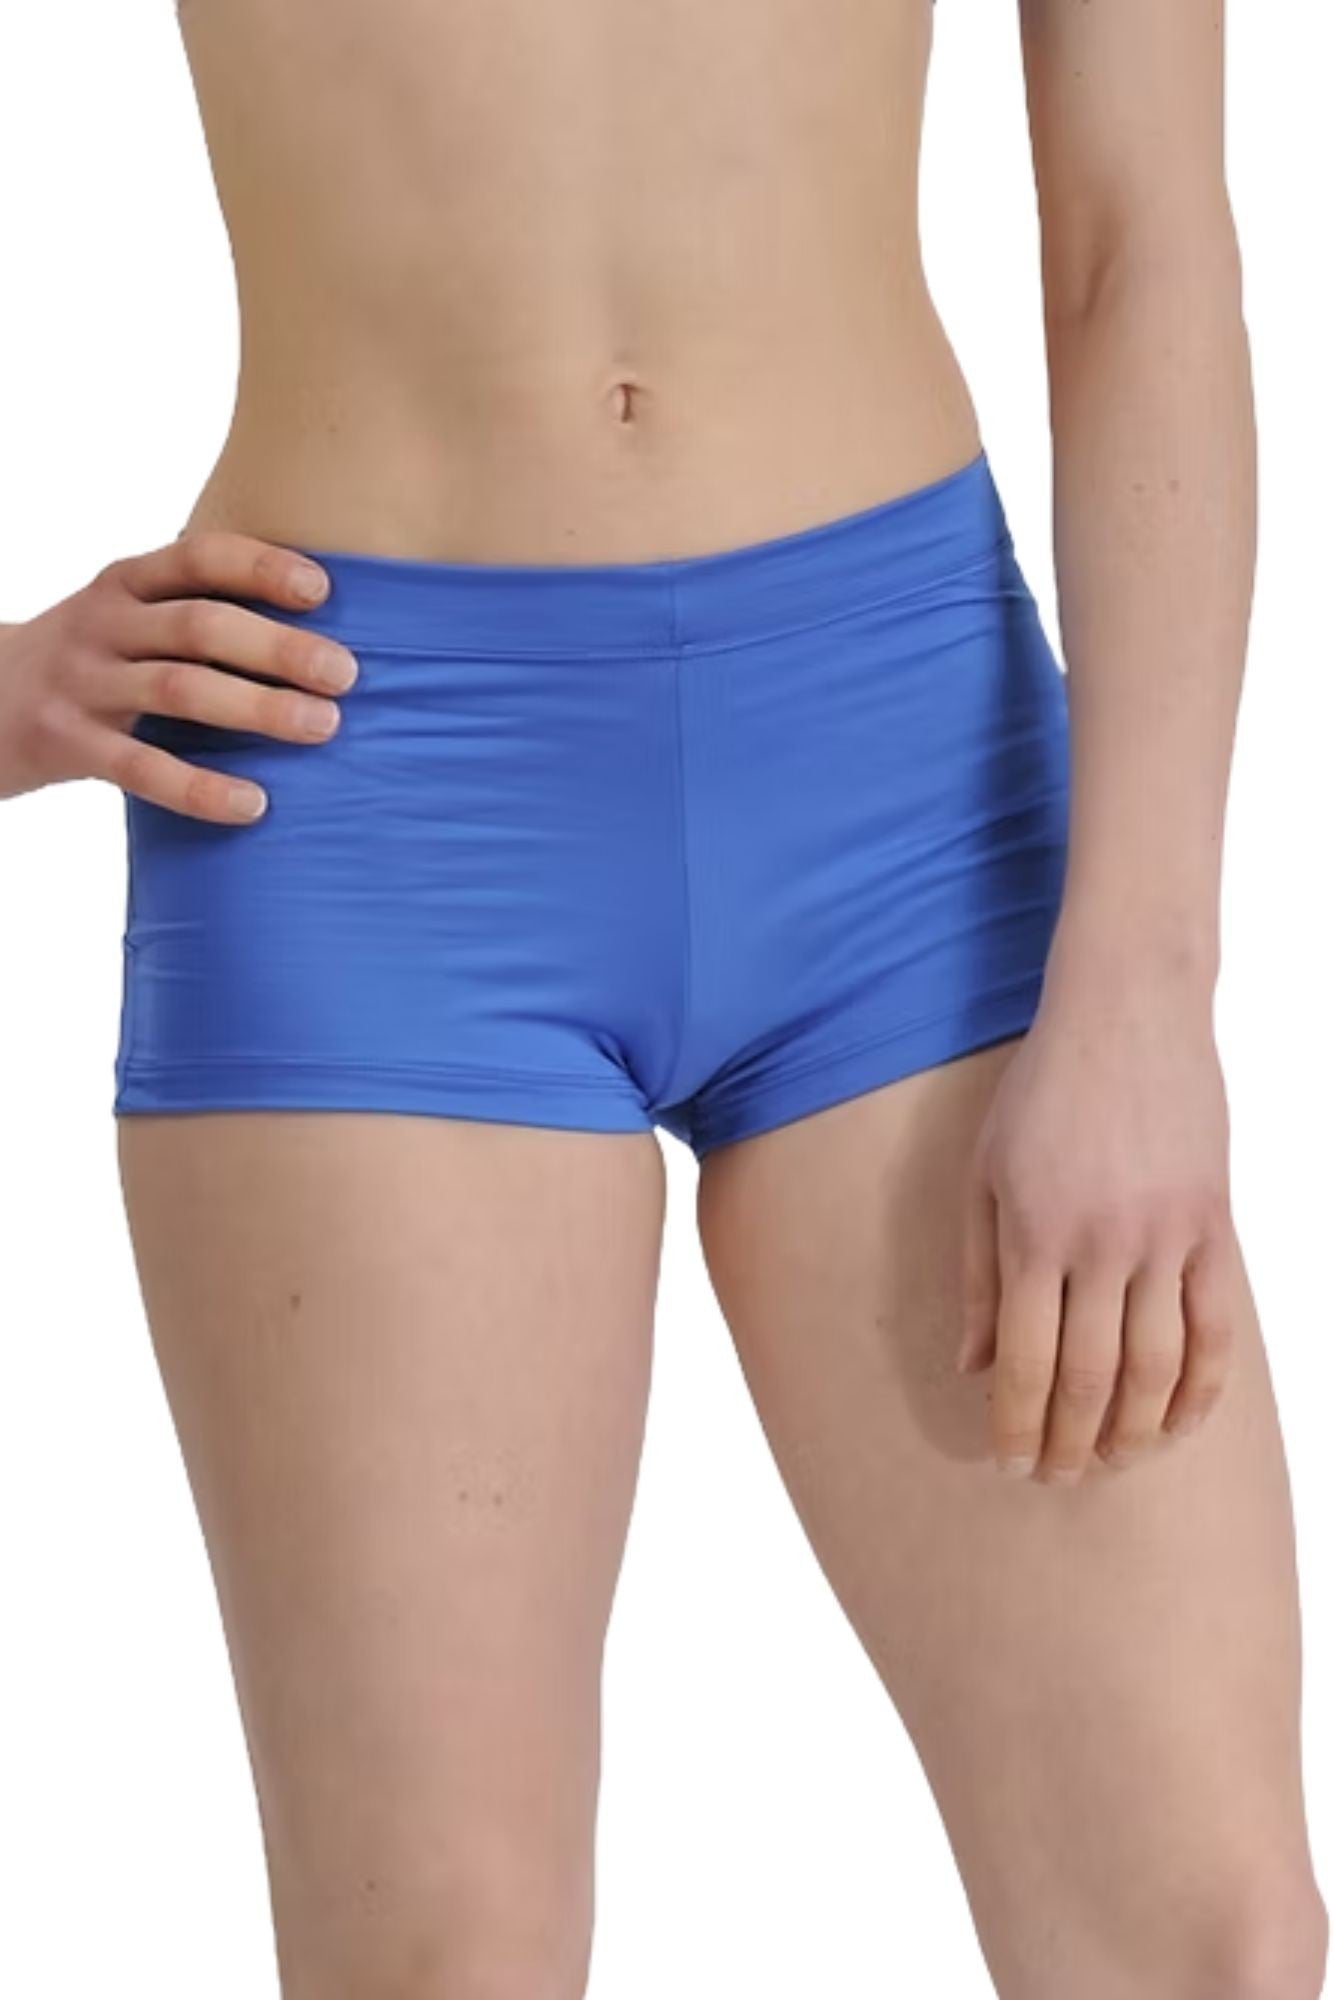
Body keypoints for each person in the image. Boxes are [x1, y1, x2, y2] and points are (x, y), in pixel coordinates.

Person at [0, 0, 1326, 1994]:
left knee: (1208, 1944)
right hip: (371, 777)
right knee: (444, 1968)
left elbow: (1137, 238)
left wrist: (1146, 983)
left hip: (912, 781)